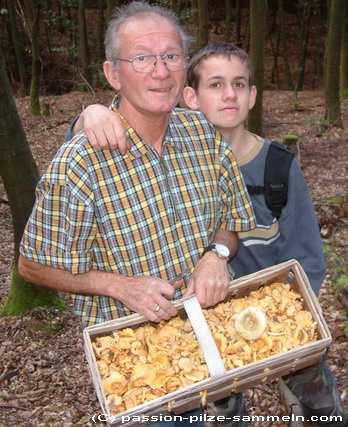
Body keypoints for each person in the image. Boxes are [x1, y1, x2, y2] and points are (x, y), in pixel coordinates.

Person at [71, 43, 348, 427]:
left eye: (239, 84)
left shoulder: (278, 168)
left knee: (322, 412)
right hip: (205, 321)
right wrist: (88, 113)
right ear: (190, 98)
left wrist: (288, 314)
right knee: (219, 413)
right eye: (215, 85)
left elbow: (307, 257)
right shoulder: (175, 162)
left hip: (279, 311)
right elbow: (118, 127)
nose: (229, 94)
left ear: (253, 95)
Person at [18, 4, 256, 426]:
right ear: (113, 74)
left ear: (185, 68)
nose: (160, 71)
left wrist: (217, 254)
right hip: (141, 373)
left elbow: (231, 223)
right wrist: (119, 286)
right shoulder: (81, 163)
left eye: (171, 57)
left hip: (219, 345)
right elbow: (32, 265)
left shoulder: (202, 134)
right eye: (142, 57)